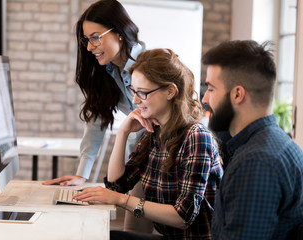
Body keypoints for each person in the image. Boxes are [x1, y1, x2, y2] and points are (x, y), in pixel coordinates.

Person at [74, 48, 224, 239]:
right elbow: (116, 185)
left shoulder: (196, 137)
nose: (135, 101)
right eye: (133, 91)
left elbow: (183, 216)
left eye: (143, 93)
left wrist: (122, 200)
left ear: (170, 91)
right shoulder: (154, 133)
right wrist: (123, 132)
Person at [42, 0, 153, 233]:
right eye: (86, 40)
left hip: (164, 159)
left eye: (95, 37)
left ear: (119, 33)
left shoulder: (149, 64)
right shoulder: (107, 70)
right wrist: (82, 174)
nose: (90, 47)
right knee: (133, 231)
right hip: (139, 158)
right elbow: (96, 122)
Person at [201, 40, 303, 240]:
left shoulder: (256, 162)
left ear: (237, 94)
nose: (205, 99)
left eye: (211, 89)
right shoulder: (270, 141)